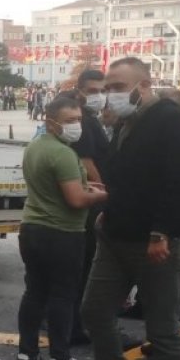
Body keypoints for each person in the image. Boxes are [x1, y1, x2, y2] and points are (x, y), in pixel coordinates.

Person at [79, 58, 180, 360]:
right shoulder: (125, 122)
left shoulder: (170, 120)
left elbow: (179, 182)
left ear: (143, 85)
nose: (108, 92)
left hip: (156, 242)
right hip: (115, 236)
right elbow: (123, 177)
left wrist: (160, 232)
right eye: (106, 86)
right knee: (95, 310)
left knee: (161, 328)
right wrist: (108, 210)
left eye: (116, 85)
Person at [16, 95, 105, 360]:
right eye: (69, 121)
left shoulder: (35, 147)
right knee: (63, 296)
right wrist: (101, 195)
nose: (76, 125)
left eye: (78, 120)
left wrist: (82, 184)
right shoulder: (64, 153)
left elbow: (54, 185)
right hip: (62, 233)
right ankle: (61, 358)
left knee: (34, 292)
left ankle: (27, 353)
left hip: (31, 229)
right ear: (51, 121)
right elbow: (76, 200)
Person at [65, 71, 112, 345]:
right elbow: (86, 161)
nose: (100, 95)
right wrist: (105, 190)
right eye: (93, 90)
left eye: (103, 89)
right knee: (83, 269)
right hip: (90, 202)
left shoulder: (90, 119)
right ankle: (74, 326)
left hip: (90, 200)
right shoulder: (82, 121)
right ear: (80, 91)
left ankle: (73, 323)